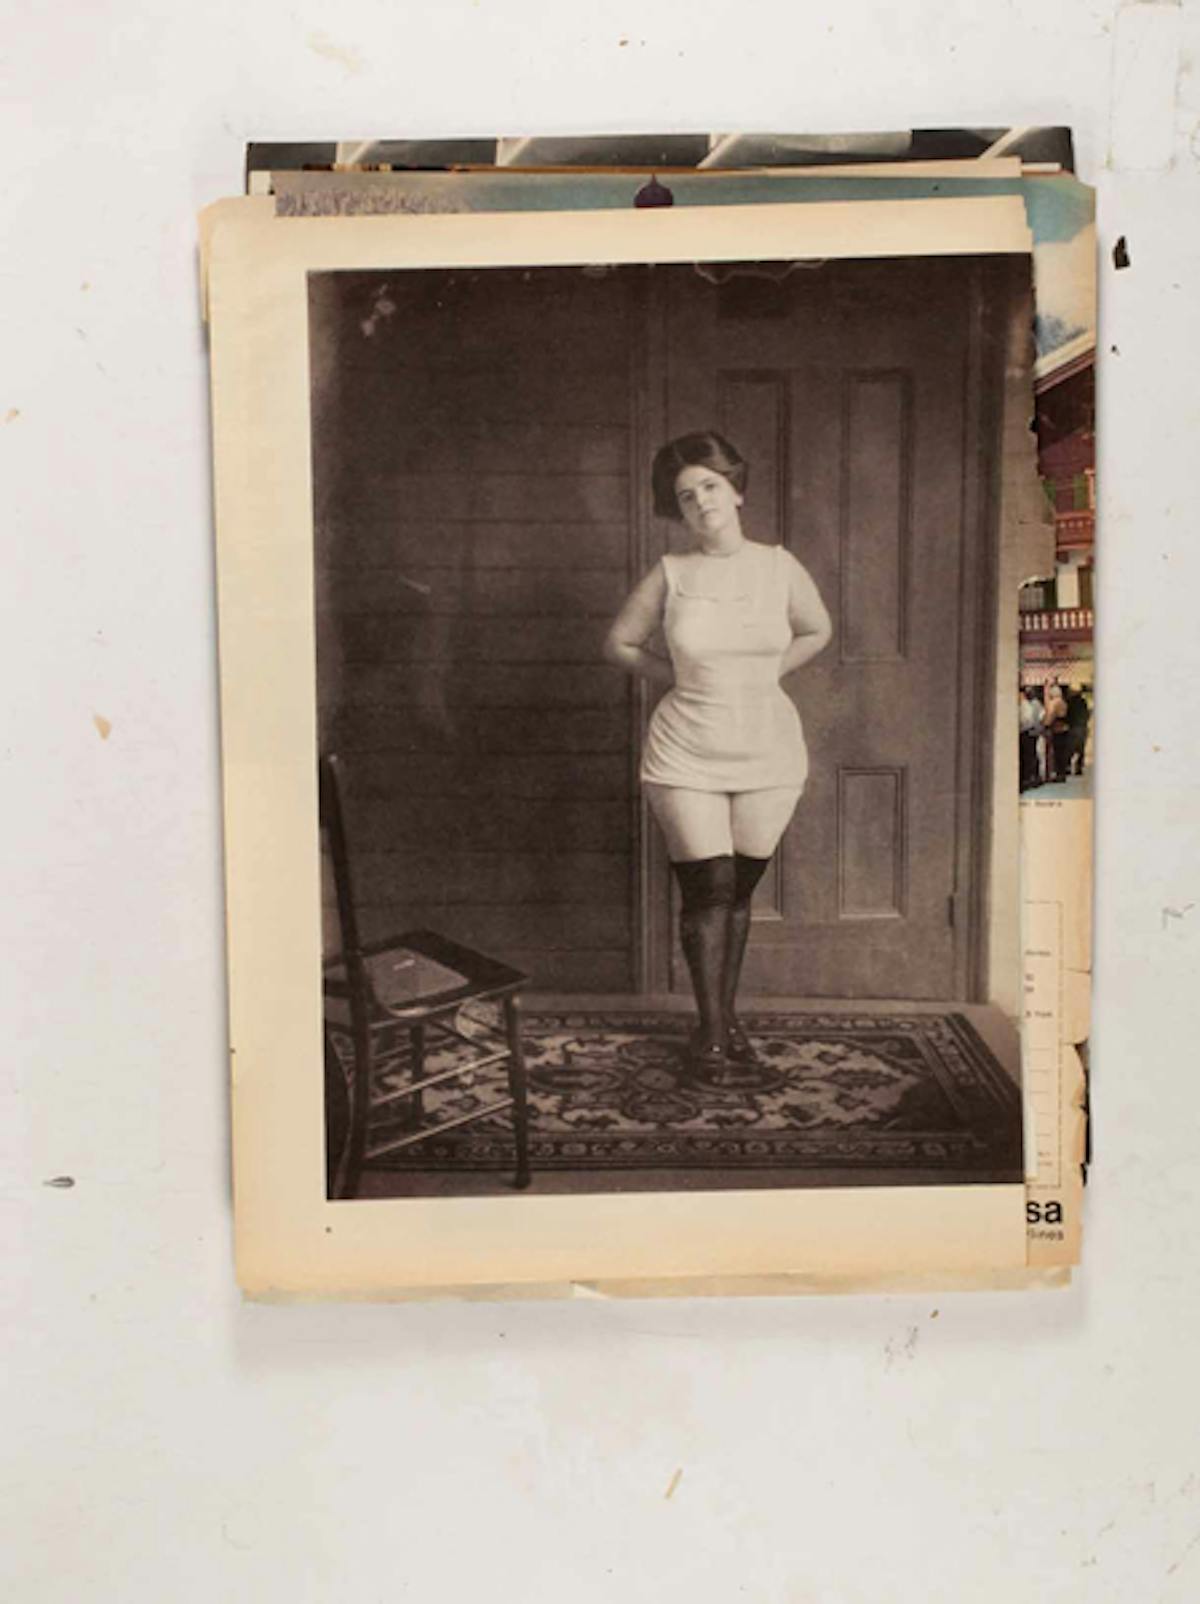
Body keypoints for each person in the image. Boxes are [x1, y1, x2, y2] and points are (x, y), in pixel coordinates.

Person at [603, 431, 832, 1081]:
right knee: (707, 889)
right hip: (686, 750)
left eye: (710, 485)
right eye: (685, 495)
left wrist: (762, 675)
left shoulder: (779, 567)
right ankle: (709, 1035)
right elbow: (619, 643)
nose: (701, 501)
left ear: (736, 490)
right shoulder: (672, 573)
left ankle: (724, 1017)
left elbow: (818, 629)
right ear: (676, 510)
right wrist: (682, 679)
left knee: (736, 891)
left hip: (766, 746)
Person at [1045, 683, 1070, 784]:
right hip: (1064, 728)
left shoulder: (1054, 703)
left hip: (1057, 729)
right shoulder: (1063, 702)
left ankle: (1059, 774)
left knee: (1057, 752)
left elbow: (1050, 716)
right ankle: (1062, 773)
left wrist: (1046, 724)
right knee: (1062, 752)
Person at [1019, 686, 1043, 791]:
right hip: (1033, 732)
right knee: (1032, 754)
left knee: (1029, 755)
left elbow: (1027, 720)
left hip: (1028, 732)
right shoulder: (1035, 704)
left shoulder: (1028, 704)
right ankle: (1034, 776)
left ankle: (1030, 777)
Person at [1066, 684, 1091, 776]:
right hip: (1082, 727)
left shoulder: (1070, 702)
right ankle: (1079, 768)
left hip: (1073, 727)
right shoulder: (1083, 702)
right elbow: (1087, 714)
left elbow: (1068, 714)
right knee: (1081, 749)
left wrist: (1068, 723)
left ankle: (1068, 767)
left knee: (1070, 749)